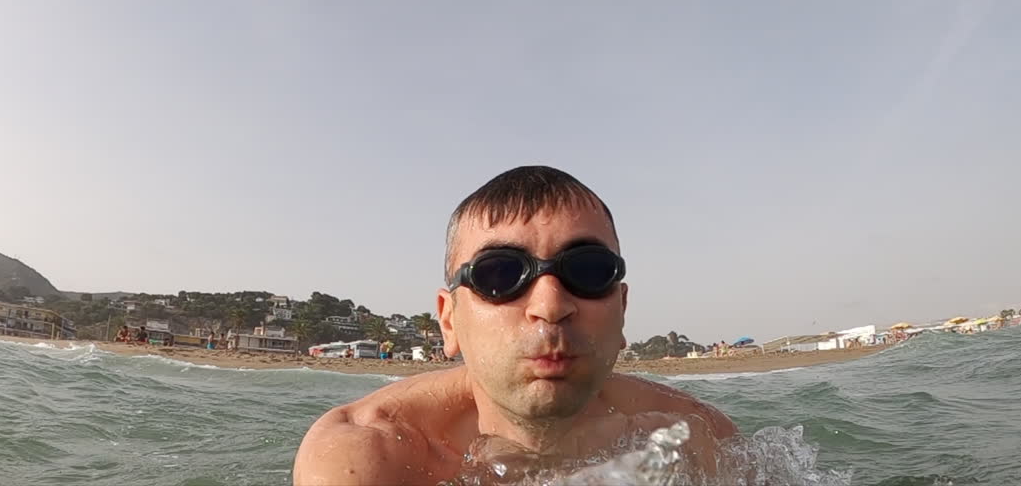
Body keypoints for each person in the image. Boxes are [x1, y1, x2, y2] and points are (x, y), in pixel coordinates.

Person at [293, 166, 736, 485]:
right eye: (500, 274)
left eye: (587, 270)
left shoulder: (699, 438)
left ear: (621, 309)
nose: (551, 305)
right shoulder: (366, 458)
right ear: (449, 319)